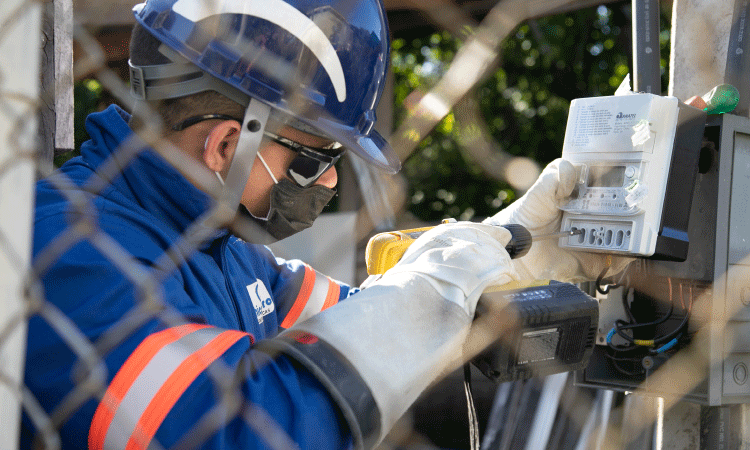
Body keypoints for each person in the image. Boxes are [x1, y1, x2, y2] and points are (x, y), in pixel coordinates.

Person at [23, 0, 625, 449]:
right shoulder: (68, 250)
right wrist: (429, 293)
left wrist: (514, 249)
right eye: (315, 160)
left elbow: (359, 320)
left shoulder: (220, 247)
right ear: (227, 144)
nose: (332, 184)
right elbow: (241, 432)